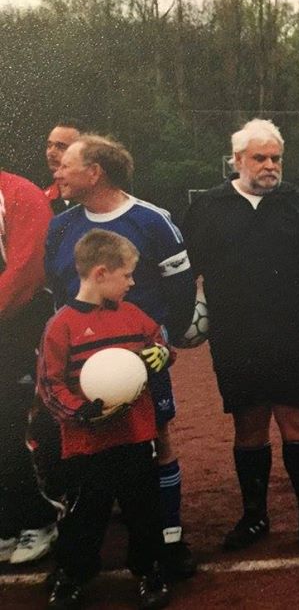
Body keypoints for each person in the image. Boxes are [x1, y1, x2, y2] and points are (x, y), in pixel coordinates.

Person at [182, 118, 299, 553]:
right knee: (249, 425)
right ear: (237, 160)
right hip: (235, 336)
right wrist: (177, 319)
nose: (270, 165)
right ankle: (254, 516)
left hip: (293, 333)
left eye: (276, 158)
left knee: (297, 423)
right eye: (260, 158)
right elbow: (185, 271)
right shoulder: (208, 207)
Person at [45, 133, 197, 577]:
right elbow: (58, 292)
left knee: (157, 440)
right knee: (86, 447)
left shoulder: (153, 221)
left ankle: (168, 537)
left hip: (140, 362)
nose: (57, 171)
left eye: (67, 165)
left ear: (94, 173)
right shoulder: (60, 227)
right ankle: (87, 548)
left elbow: (181, 292)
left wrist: (161, 343)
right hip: (81, 364)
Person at [38, 229, 172, 609]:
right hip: (86, 444)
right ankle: (73, 574)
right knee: (85, 514)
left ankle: (149, 570)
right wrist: (81, 412)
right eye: (126, 275)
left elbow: (159, 342)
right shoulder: (61, 325)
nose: (132, 283)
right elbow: (50, 385)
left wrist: (162, 354)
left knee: (143, 510)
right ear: (100, 273)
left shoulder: (133, 315)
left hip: (135, 436)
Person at [0, 169, 59, 565]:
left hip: (15, 328)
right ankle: (7, 522)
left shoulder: (19, 194)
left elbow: (27, 272)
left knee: (9, 426)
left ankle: (39, 517)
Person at [44, 123, 80, 213]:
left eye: (61, 147)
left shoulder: (102, 200)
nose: (51, 153)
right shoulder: (43, 199)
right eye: (49, 146)